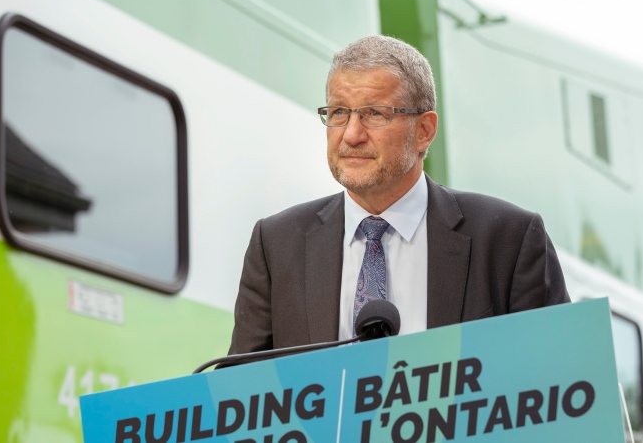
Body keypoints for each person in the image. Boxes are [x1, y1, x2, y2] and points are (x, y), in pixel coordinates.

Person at [228, 35, 569, 355]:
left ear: (424, 131)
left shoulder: (508, 240)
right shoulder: (276, 245)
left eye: (374, 114)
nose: (351, 135)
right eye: (338, 113)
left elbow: (556, 382)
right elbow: (240, 396)